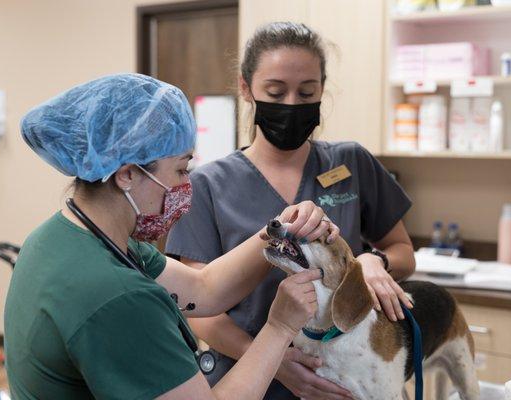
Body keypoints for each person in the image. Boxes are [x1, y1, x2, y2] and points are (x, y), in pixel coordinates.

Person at [4, 73, 340, 400]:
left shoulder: (65, 237)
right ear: (127, 175)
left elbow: (204, 289)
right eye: (180, 170)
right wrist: (279, 327)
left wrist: (278, 230)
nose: (185, 186)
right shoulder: (117, 297)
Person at [165, 22, 416, 400]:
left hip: (340, 377)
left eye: (307, 92)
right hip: (245, 379)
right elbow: (199, 309)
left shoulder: (352, 163)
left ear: (321, 91)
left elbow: (403, 252)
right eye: (276, 91)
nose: (291, 105)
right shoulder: (208, 185)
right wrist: (274, 362)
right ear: (246, 88)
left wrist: (372, 261)